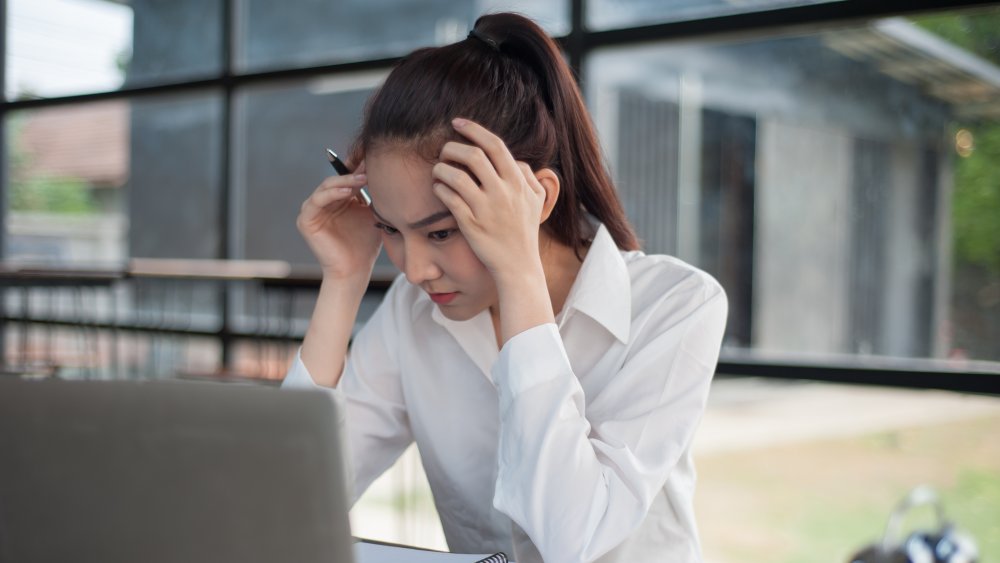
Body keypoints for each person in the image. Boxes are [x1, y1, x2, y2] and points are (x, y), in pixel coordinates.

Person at [283, 12, 727, 563]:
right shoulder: (412, 312)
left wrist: (519, 276)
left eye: (441, 232)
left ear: (535, 199)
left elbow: (572, 539)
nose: (416, 270)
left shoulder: (678, 304)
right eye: (391, 230)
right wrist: (344, 280)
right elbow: (288, 507)